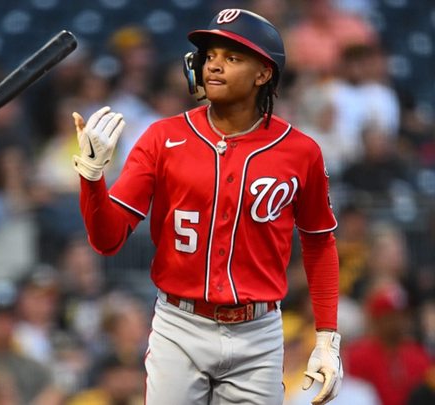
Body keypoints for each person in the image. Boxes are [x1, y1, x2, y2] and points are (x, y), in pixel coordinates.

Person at [72, 8, 342, 405]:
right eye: (210, 55)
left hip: (258, 332)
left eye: (232, 57)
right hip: (180, 325)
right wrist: (92, 177)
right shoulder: (161, 137)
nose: (214, 65)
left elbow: (319, 242)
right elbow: (107, 240)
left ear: (263, 74)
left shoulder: (300, 152)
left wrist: (327, 337)